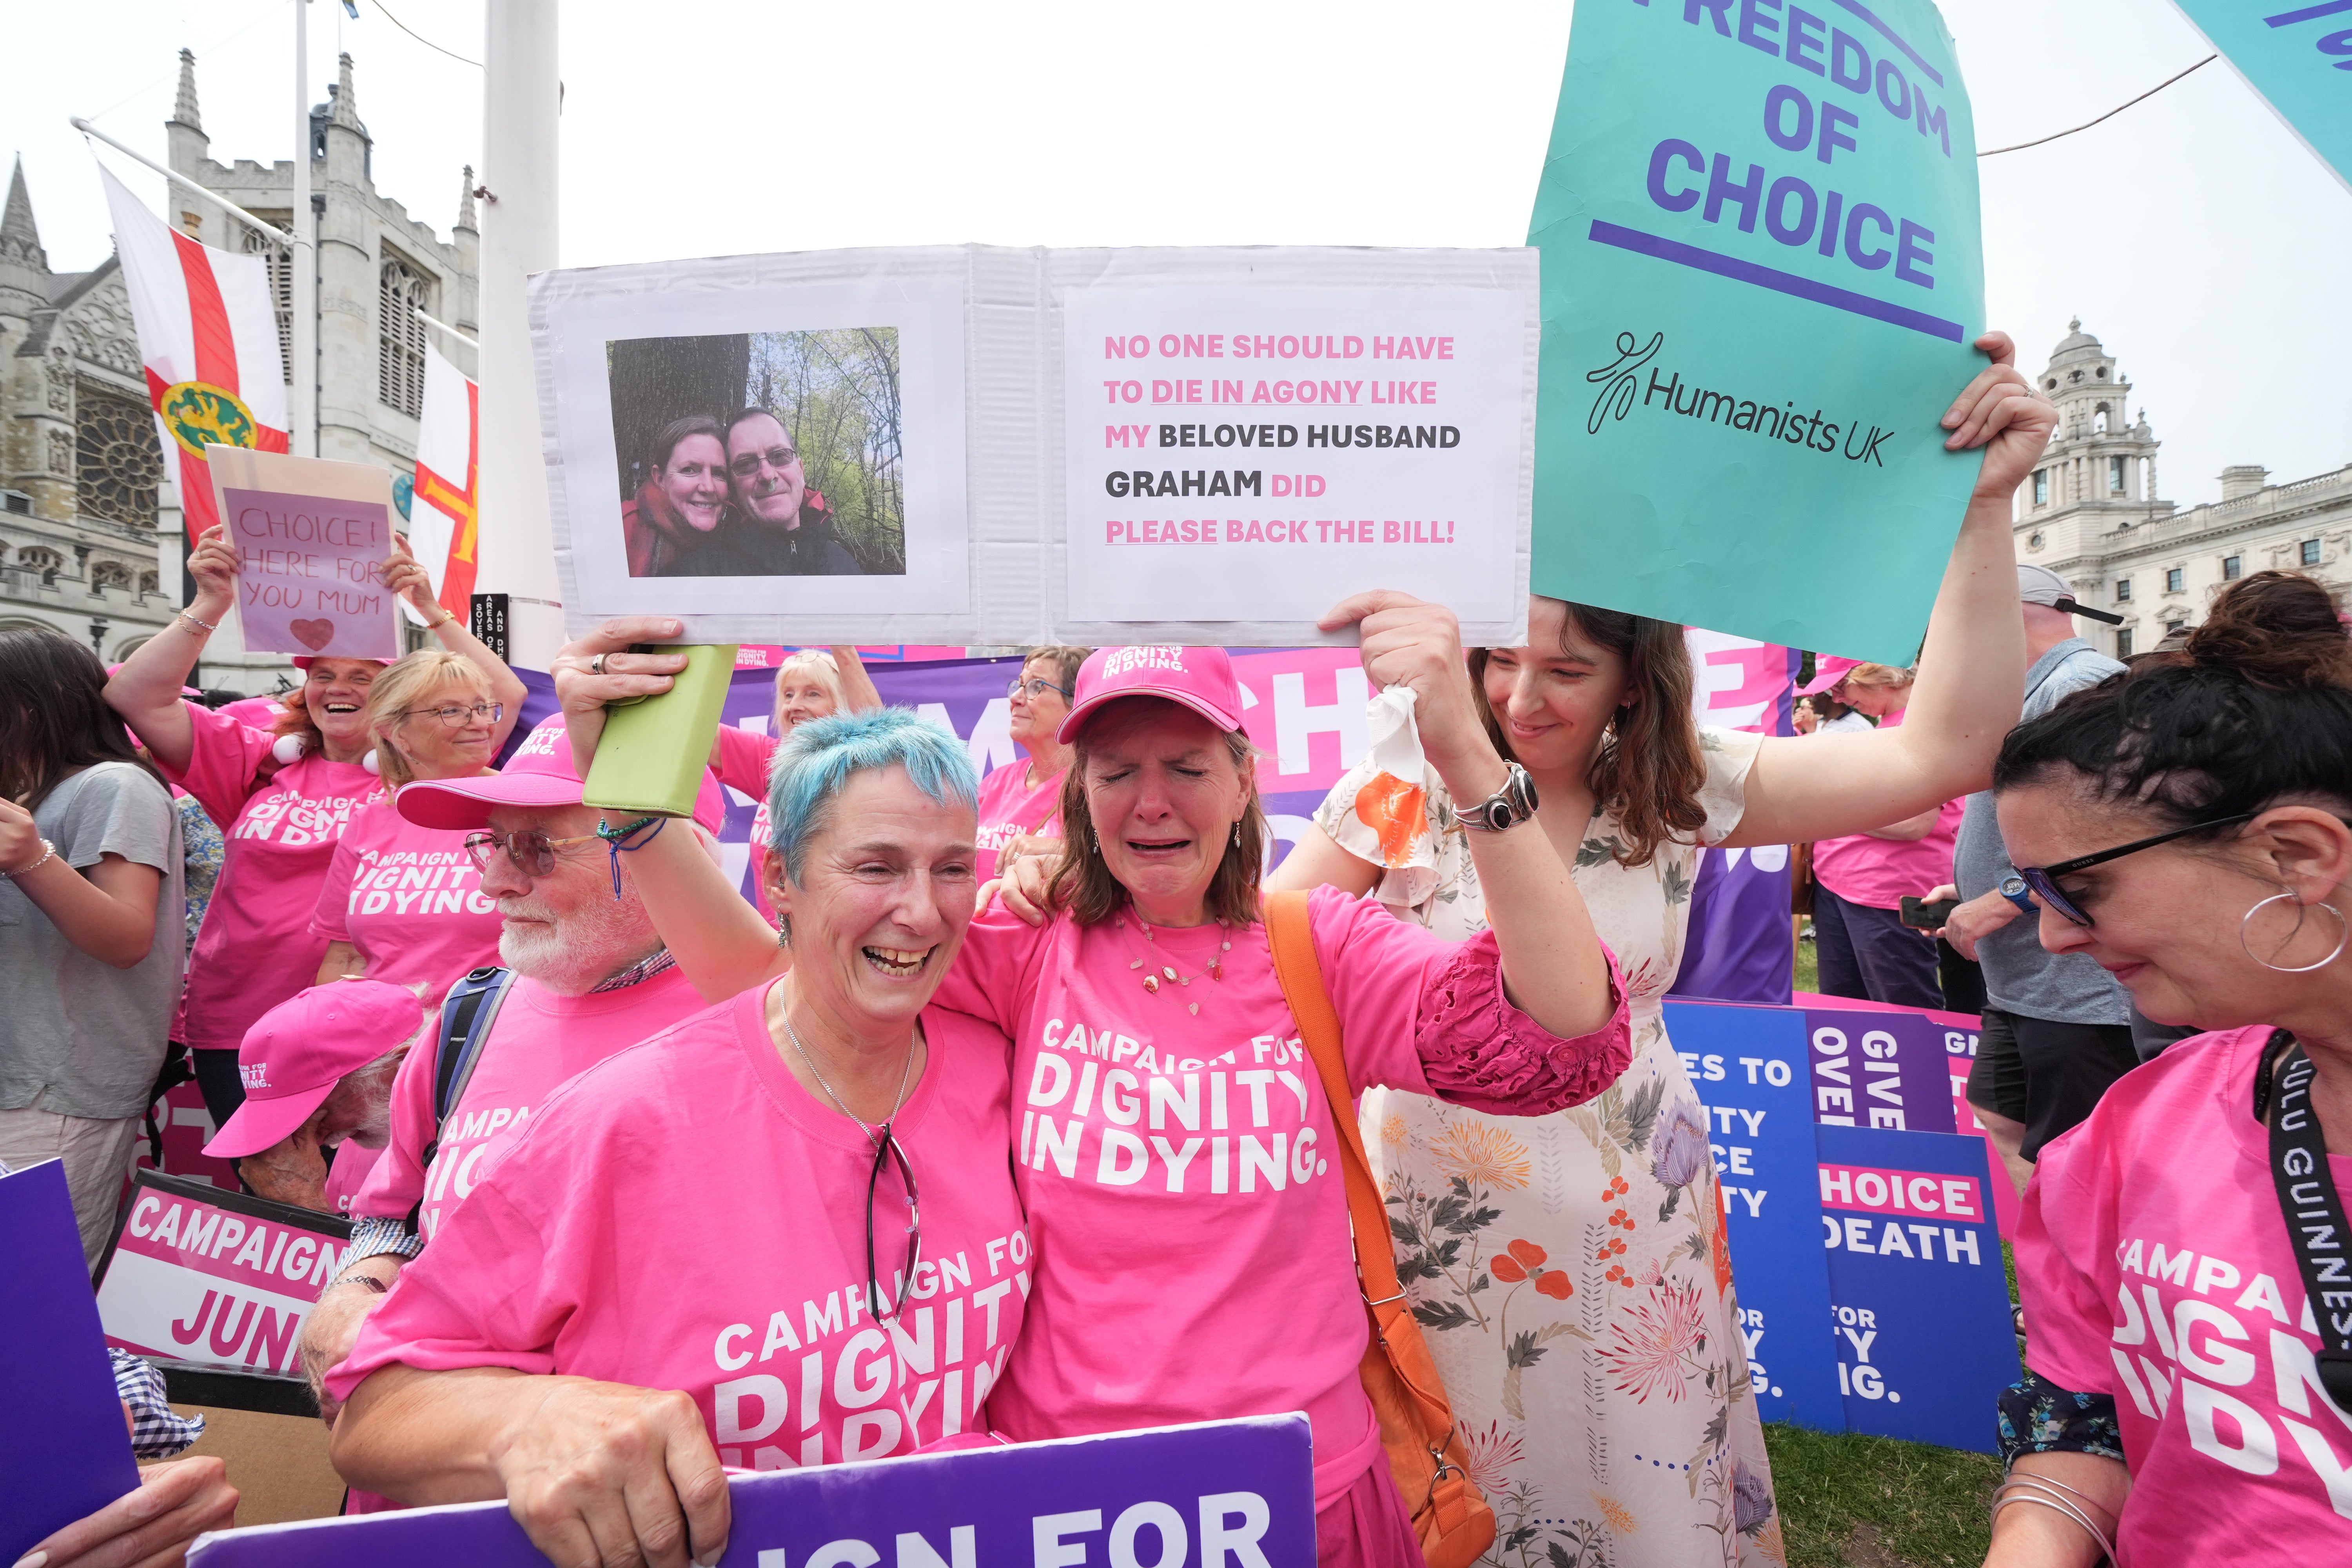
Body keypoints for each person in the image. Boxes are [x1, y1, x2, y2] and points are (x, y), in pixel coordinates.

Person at [559, 604, 1634, 1565]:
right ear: (1079, 788)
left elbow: (1563, 1039)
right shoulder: (1029, 950)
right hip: (1071, 1504)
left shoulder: (1322, 949)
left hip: (1296, 1498)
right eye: (1118, 771)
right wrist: (636, 807)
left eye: (1187, 767)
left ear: (1244, 778)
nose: (1153, 803)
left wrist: (1465, 754)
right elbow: (780, 984)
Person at [1265, 334, 2054, 1568]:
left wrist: (1979, 511)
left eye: (1567, 669)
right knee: (1466, 1491)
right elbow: (1267, 946)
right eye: (1500, 660)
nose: (1524, 695)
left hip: (1630, 1210)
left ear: (1635, 681)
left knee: (1637, 1485)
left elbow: (1943, 750)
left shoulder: (1682, 789)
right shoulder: (1402, 769)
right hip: (1433, 1223)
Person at [326, 710, 1027, 1567]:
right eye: (876, 866)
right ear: (779, 879)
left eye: (952, 868)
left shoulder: (1003, 1068)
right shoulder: (622, 1116)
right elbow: (372, 1410)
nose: (920, 910)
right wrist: (526, 1421)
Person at [1979, 570, 2352, 1568]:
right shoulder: (2132, 1127)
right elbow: (2085, 1412)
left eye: (2083, 886)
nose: (2054, 934)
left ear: (2296, 856)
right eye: (2037, 892)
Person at [300, 715, 727, 1426]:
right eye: (491, 844)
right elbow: (399, 1217)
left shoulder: (767, 1021)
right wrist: (349, 1295)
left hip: (650, 1496)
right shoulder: (470, 1017)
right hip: (435, 1481)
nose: (494, 882)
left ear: (682, 853)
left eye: (537, 848)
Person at [102, 527, 474, 1132]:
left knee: (354, 1201)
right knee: (269, 1194)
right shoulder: (259, 760)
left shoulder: (425, 778)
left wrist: (431, 613)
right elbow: (134, 696)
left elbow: (500, 698)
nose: (338, 688)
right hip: (236, 1017)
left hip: (364, 1026)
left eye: (364, 675)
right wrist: (210, 602)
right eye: (323, 674)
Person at [1922, 563, 2136, 1198]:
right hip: (2026, 979)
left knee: (2086, 1158)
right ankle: (2062, 1284)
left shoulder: (2084, 685)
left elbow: (2116, 837)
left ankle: (2097, 1291)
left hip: (2079, 982)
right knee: (2001, 1115)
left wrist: (2009, 896)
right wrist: (1977, 887)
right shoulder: (2035, 689)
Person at [0, 628, 184, 1262]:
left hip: (57, 1089)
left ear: (31, 705)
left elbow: (127, 936)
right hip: (23, 1081)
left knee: (30, 1291)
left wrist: (31, 859)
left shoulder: (114, 786)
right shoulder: (33, 796)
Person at [310, 647, 525, 1011]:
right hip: (386, 1048)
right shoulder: (369, 822)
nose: (479, 723)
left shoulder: (528, 809)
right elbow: (346, 957)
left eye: (483, 707)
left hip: (495, 1040)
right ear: (394, 731)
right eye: (451, 711)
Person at [1800, 662, 1964, 1009]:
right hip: (1847, 885)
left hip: (1886, 893)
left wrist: (1825, 811)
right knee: (1847, 1008)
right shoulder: (1895, 725)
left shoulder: (1924, 727)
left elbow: (1913, 824)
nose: (1837, 697)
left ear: (1879, 678)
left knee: (1902, 1011)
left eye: (1842, 686)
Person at [200, 980, 421, 1216]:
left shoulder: (459, 1136)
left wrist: (303, 1205)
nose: (314, 1139)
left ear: (401, 1067)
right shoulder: (374, 1129)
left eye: (318, 1114)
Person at [711, 647, 883, 922]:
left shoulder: (856, 768)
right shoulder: (773, 761)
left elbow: (878, 731)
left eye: (813, 694)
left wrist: (842, 648)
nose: (794, 705)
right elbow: (697, 732)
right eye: (788, 695)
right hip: (779, 952)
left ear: (843, 703)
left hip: (833, 947)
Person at [657, 409, 864, 577]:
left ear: (801, 472)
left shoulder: (845, 567)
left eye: (780, 457)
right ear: (733, 487)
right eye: (746, 465)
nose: (767, 475)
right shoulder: (696, 576)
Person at [975, 645, 1089, 884]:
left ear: (1077, 703)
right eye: (1019, 685)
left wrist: (1064, 852)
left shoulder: (1093, 787)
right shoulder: (996, 782)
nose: (1015, 699)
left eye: (1036, 687)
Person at [622, 416, 731, 577]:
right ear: (660, 479)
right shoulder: (622, 529)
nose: (708, 487)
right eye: (689, 470)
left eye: (718, 473)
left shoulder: (737, 536)